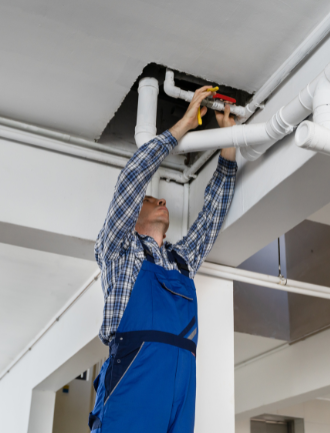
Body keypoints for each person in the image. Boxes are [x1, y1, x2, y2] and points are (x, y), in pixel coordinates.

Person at [89, 86, 237, 433]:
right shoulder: (118, 251)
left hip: (182, 383)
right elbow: (131, 180)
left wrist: (230, 141)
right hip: (134, 379)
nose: (162, 202)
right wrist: (184, 125)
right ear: (132, 216)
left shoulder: (181, 262)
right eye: (151, 199)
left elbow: (213, 215)